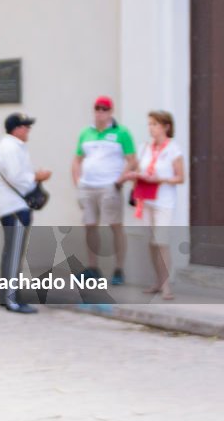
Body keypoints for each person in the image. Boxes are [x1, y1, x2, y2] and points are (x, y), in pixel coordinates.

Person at [72, 96, 137, 285]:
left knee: (115, 226)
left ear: (110, 112)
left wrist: (119, 179)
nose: (100, 112)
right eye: (97, 109)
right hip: (88, 186)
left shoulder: (122, 132)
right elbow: (77, 159)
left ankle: (119, 269)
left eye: (104, 109)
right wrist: (78, 180)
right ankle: (92, 268)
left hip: (109, 186)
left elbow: (132, 159)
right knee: (90, 226)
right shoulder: (86, 133)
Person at [0, 113, 52, 314]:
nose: (28, 130)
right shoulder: (10, 147)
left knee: (12, 253)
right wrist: (39, 176)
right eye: (25, 126)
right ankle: (11, 300)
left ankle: (7, 296)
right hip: (15, 207)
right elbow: (17, 177)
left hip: (14, 206)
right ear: (16, 128)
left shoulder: (12, 146)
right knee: (14, 254)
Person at [123, 110, 185, 300]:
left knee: (162, 241)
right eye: (149, 124)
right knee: (151, 242)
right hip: (146, 199)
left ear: (166, 126)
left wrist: (161, 179)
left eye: (155, 124)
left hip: (164, 201)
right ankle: (157, 281)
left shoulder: (173, 149)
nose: (151, 128)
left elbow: (180, 178)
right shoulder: (144, 148)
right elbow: (139, 170)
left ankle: (167, 285)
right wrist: (135, 175)